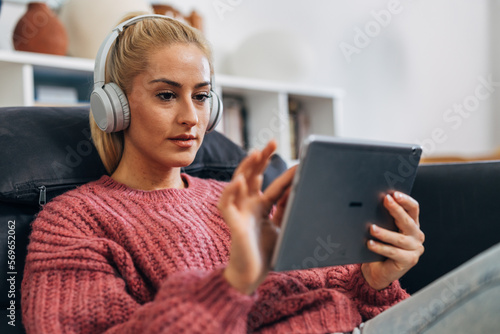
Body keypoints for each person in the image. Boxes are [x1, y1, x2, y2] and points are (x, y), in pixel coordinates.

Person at [20, 13, 433, 334]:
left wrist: (374, 279)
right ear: (114, 107)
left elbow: (347, 293)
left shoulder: (237, 199)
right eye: (166, 95)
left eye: (201, 97)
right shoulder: (72, 222)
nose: (190, 118)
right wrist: (234, 282)